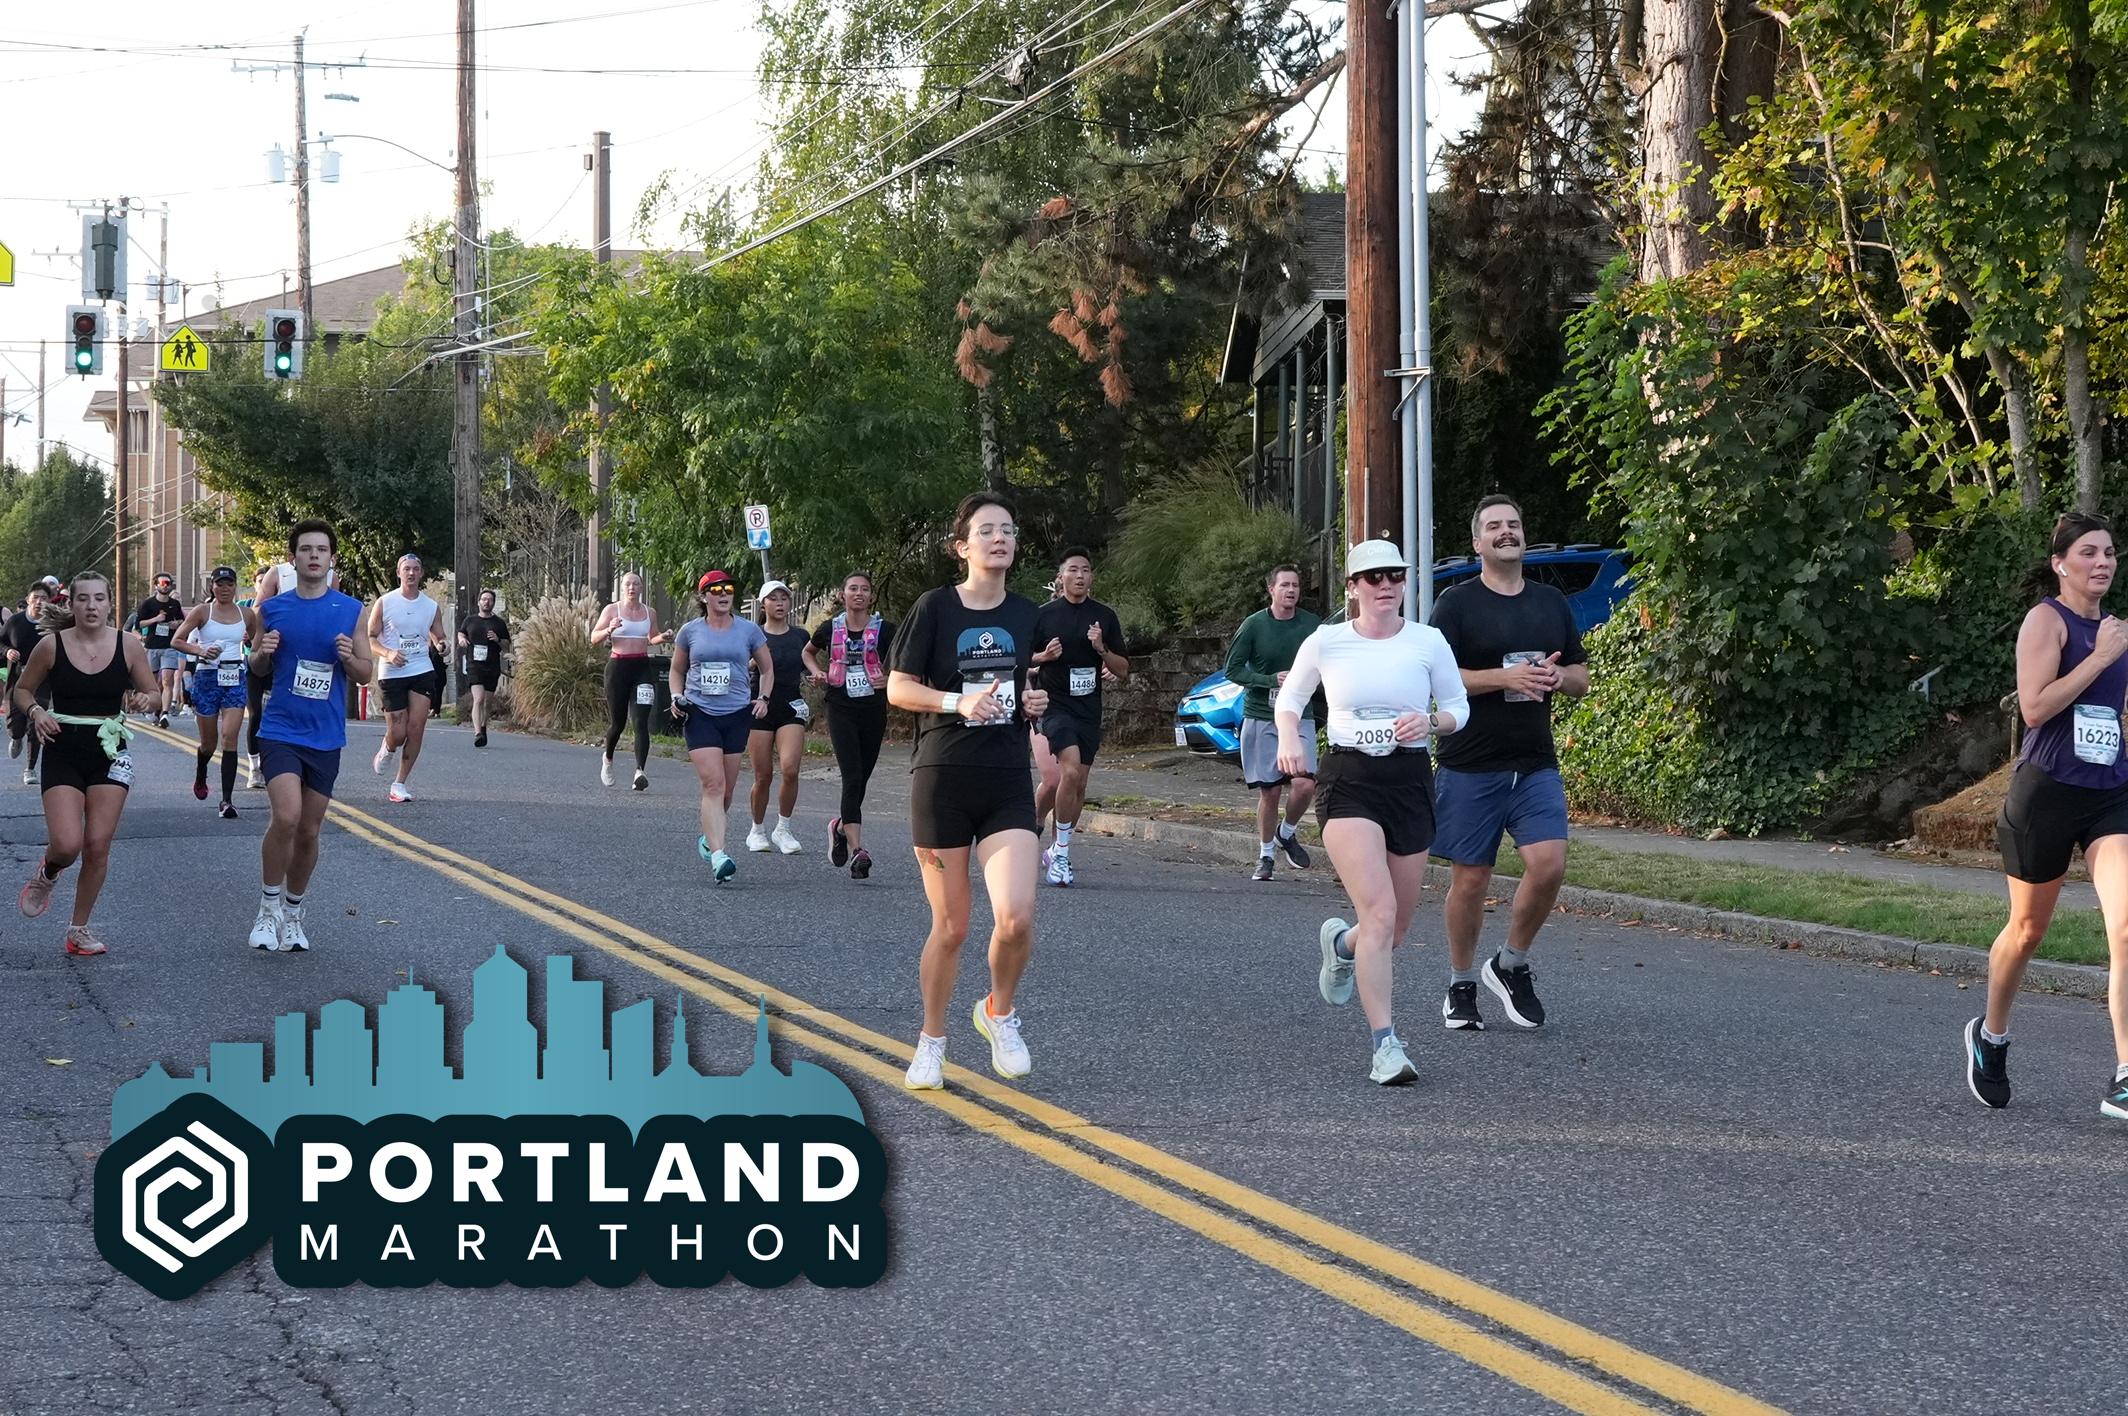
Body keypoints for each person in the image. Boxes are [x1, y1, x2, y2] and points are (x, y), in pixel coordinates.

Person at [1277, 539, 1467, 1086]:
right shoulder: (1327, 641)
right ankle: (1386, 1046)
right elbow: (1290, 700)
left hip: (1409, 780)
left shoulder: (1428, 641)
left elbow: (1458, 708)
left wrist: (1430, 723)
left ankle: (1341, 944)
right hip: (1349, 781)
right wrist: (1288, 738)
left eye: (1394, 576)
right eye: (1373, 577)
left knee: (1395, 929)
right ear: (1353, 587)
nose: (1386, 585)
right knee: (1380, 914)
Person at [888, 493, 1050, 1089]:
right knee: (952, 926)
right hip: (943, 778)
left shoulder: (1028, 615)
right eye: (986, 530)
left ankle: (998, 1012)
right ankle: (931, 1041)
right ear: (962, 547)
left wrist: (1033, 701)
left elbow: (1023, 686)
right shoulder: (934, 607)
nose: (1000, 538)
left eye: (1008, 529)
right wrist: (957, 701)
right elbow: (898, 688)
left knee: (1016, 917)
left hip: (1006, 778)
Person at [1972, 511, 2128, 1122]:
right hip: (2047, 794)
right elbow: (2035, 708)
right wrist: (2099, 658)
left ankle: (2126, 1074)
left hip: (2109, 794)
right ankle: (1991, 1036)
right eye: (2089, 552)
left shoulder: (2116, 631)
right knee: (2028, 930)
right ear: (2060, 564)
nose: (2102, 562)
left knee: (2125, 926)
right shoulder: (2047, 621)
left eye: (2109, 552)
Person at [1429, 496, 1591, 1031]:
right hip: (1471, 763)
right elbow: (1440, 680)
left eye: (1514, 524)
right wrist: (1504, 678)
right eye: (1495, 526)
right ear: (1477, 542)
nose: (1507, 532)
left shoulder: (1550, 602)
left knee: (1549, 865)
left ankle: (1510, 963)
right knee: (1472, 879)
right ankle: (1460, 984)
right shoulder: (1456, 604)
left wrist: (1557, 678)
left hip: (1534, 760)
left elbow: (1581, 678)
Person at [12, 572, 163, 956]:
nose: (91, 606)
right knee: (67, 844)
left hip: (109, 751)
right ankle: (48, 870)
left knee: (97, 845)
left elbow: (155, 694)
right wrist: (36, 712)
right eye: (83, 599)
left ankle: (77, 929)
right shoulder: (52, 646)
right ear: (71, 604)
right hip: (62, 747)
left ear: (110, 604)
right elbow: (22, 690)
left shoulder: (128, 645)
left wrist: (145, 700)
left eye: (99, 598)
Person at [246, 521, 370, 953]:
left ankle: (293, 914)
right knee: (286, 817)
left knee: (309, 831)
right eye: (305, 549)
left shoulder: (351, 609)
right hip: (280, 728)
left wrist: (349, 659)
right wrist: (262, 653)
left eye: (321, 549)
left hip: (325, 734)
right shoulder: (272, 609)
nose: (314, 556)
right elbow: (256, 666)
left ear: (332, 558)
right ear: (292, 559)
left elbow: (366, 672)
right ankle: (267, 909)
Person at [1030, 547, 1129, 888]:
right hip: (1054, 705)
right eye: (1073, 570)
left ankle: (1058, 846)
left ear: (1091, 577)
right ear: (1061, 577)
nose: (1080, 576)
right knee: (1069, 770)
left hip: (1088, 708)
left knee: (1080, 782)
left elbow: (1123, 669)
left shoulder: (1104, 616)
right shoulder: (1043, 616)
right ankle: (1061, 854)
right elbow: (1019, 660)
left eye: (1085, 570)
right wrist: (1043, 656)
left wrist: (1101, 648)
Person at [669, 570, 772, 882]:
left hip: (737, 714)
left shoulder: (749, 630)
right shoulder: (690, 632)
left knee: (726, 790)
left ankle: (708, 836)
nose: (723, 594)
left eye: (727, 589)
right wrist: (676, 696)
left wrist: (763, 698)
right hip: (700, 713)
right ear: (704, 597)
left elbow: (767, 669)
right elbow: (677, 670)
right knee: (713, 784)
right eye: (715, 590)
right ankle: (719, 856)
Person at [1225, 565, 1322, 881]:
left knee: (1305, 784)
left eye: (1295, 585)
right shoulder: (1254, 625)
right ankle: (1265, 855)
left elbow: (1329, 662)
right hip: (1261, 715)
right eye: (1284, 585)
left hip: (1300, 715)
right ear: (1271, 590)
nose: (1291, 590)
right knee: (1270, 792)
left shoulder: (1312, 625)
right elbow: (1233, 669)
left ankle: (1286, 833)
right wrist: (1269, 680)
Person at [804, 571, 895, 880]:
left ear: (871, 596)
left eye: (864, 589)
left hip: (873, 709)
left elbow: (906, 662)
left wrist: (890, 678)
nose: (859, 593)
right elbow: (808, 652)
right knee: (852, 776)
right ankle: (858, 850)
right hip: (840, 708)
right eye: (853, 588)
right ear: (842, 595)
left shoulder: (886, 630)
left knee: (863, 778)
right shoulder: (830, 628)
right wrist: (817, 672)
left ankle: (840, 827)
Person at [171, 566, 260, 819]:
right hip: (207, 677)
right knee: (209, 743)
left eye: (229, 584)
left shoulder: (246, 614)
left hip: (235, 677)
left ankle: (227, 801)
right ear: (212, 587)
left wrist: (249, 642)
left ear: (235, 587)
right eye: (220, 584)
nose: (225, 589)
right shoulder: (203, 612)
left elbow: (254, 642)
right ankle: (202, 771)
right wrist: (200, 651)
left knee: (229, 737)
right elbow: (176, 640)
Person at [367, 554, 444, 803]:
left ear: (421, 573)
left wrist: (442, 646)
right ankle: (388, 746)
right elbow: (371, 638)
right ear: (399, 573)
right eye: (407, 569)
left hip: (421, 669)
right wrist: (388, 653)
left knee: (416, 728)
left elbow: (439, 635)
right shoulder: (385, 602)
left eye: (415, 569)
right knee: (398, 733)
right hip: (392, 672)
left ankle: (399, 783)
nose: (411, 573)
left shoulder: (431, 606)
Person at [745, 580, 811, 855]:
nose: (780, 603)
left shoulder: (800, 636)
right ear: (764, 605)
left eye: (784, 597)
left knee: (790, 770)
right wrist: (751, 662)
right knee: (763, 776)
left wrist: (815, 676)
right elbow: (738, 667)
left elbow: (808, 665)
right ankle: (757, 830)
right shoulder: (753, 635)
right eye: (773, 598)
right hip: (759, 708)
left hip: (791, 707)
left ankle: (783, 828)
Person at [591, 572, 671, 790]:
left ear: (641, 588)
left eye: (636, 584)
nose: (632, 588)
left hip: (642, 668)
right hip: (617, 668)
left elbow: (652, 637)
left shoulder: (649, 612)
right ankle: (608, 759)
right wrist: (609, 629)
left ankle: (639, 772)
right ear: (622, 588)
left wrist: (663, 637)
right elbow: (594, 638)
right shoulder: (612, 610)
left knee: (640, 722)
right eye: (628, 584)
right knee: (617, 723)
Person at [5, 583, 51, 784]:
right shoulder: (15, 622)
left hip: (42, 682)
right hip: (17, 680)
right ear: (28, 599)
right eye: (35, 598)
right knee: (15, 725)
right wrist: (7, 651)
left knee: (35, 724)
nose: (39, 602)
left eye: (43, 598)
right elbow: (1, 642)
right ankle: (16, 738)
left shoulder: (52, 625)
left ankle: (30, 769)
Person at [456, 588, 511, 748]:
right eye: (484, 599)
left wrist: (498, 639)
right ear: (479, 602)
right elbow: (461, 633)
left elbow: (507, 646)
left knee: (487, 702)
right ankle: (477, 733)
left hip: (491, 665)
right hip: (474, 664)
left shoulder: (499, 623)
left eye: (490, 600)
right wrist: (461, 639)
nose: (487, 602)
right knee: (478, 699)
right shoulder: (470, 620)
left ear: (493, 603)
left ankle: (483, 726)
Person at [133, 572, 187, 728]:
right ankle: (155, 709)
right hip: (152, 646)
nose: (165, 586)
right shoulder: (148, 604)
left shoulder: (174, 604)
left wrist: (176, 624)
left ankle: (164, 713)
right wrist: (156, 619)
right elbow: (139, 624)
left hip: (169, 646)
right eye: (162, 583)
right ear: (156, 585)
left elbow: (183, 621)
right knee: (154, 683)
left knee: (167, 680)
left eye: (168, 583)